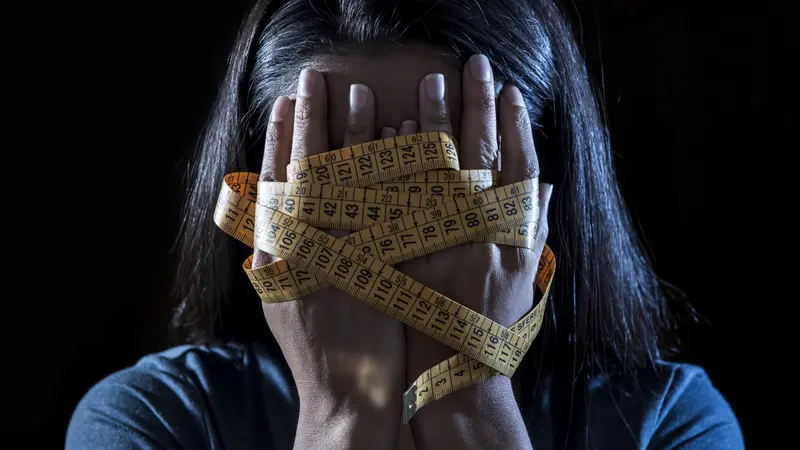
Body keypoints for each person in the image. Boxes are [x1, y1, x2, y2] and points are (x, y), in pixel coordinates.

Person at [66, 0, 744, 449]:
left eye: (437, 180)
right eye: (339, 177)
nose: (394, 238)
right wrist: (344, 411)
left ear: (536, 201)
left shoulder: (672, 425)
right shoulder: (148, 421)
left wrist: (471, 394)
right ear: (263, 202)